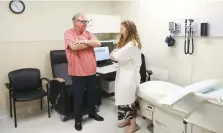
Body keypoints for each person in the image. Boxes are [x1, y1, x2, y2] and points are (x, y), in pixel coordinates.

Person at [64, 13, 104, 131]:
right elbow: (74, 47)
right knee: (79, 97)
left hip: (91, 70)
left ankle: (92, 113)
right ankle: (78, 120)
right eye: (83, 22)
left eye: (86, 22)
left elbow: (99, 43)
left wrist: (84, 42)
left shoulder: (88, 33)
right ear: (74, 21)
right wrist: (89, 43)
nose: (85, 24)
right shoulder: (69, 33)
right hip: (77, 72)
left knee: (92, 94)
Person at [110, 20, 142, 133]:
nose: (121, 30)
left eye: (122, 28)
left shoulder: (132, 44)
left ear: (129, 29)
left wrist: (114, 54)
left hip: (129, 77)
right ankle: (128, 120)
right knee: (123, 98)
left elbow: (116, 55)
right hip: (124, 74)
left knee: (128, 101)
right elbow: (118, 53)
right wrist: (115, 53)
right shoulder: (127, 43)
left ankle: (134, 125)